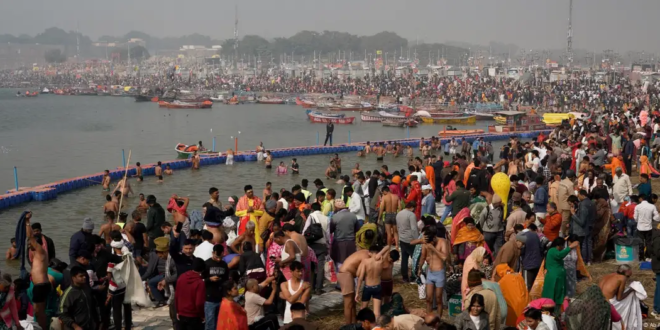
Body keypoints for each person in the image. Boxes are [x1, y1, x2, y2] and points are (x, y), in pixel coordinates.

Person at [26, 212, 51, 330]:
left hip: (41, 285)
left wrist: (27, 222)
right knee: (40, 311)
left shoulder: (40, 251)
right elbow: (29, 239)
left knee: (38, 312)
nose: (28, 245)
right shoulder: (38, 254)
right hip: (42, 284)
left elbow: (30, 237)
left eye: (30, 244)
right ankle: (43, 326)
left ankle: (42, 328)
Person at [417, 226, 449, 318]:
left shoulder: (442, 241)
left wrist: (433, 248)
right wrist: (419, 268)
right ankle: (429, 318)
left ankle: (438, 319)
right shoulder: (426, 243)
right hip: (430, 272)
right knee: (428, 298)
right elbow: (423, 256)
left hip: (439, 273)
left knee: (439, 299)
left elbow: (444, 257)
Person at [541, 238, 579, 310]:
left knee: (558, 294)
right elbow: (559, 255)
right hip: (553, 278)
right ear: (558, 245)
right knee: (551, 294)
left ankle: (556, 310)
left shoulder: (555, 251)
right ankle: (550, 310)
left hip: (558, 277)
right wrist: (569, 247)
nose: (563, 248)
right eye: (562, 246)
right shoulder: (552, 250)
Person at [59, 266, 96, 330]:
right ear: (73, 278)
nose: (84, 277)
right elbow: (62, 314)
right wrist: (75, 326)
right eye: (81, 276)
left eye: (84, 275)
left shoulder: (87, 289)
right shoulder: (68, 294)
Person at [175, 258, 207, 330]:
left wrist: (177, 311)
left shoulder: (181, 277)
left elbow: (176, 295)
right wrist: (202, 315)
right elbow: (199, 303)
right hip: (194, 316)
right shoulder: (200, 282)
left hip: (181, 314)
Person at [356, 245, 386, 318]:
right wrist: (381, 253)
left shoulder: (365, 261)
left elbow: (360, 277)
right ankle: (377, 328)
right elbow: (387, 247)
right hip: (377, 287)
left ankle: (363, 326)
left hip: (368, 287)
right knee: (377, 313)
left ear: (370, 252)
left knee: (363, 309)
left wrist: (357, 292)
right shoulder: (381, 261)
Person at [396, 202, 419, 283]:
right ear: (412, 207)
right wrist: (417, 240)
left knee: (404, 259)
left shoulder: (399, 214)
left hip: (402, 239)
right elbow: (413, 229)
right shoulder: (411, 215)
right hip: (411, 240)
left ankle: (405, 276)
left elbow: (398, 226)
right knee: (415, 258)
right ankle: (414, 275)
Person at [634, 194, 659, 261]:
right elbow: (657, 218)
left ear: (641, 199)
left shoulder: (637, 206)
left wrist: (638, 221)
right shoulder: (652, 206)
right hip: (649, 227)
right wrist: (652, 218)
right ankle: (648, 256)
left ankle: (641, 257)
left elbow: (635, 218)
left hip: (640, 227)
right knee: (648, 242)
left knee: (640, 242)